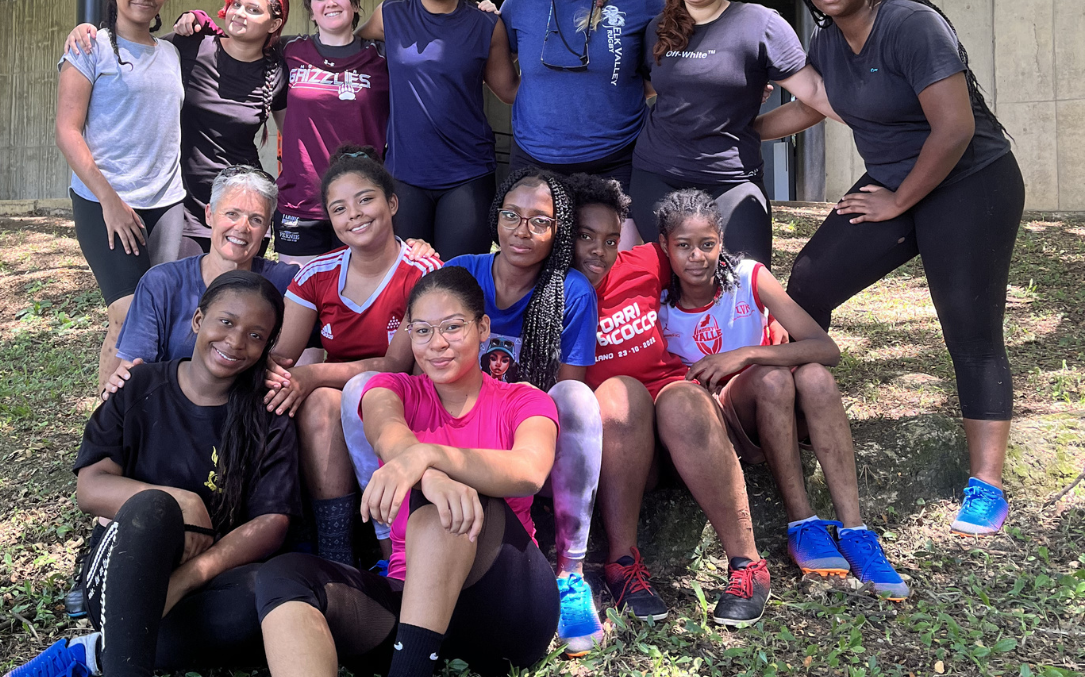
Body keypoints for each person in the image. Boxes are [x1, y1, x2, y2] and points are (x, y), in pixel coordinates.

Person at [756, 0, 1023, 536]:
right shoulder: (824, 44)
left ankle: (988, 484)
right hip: (896, 185)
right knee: (813, 279)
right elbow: (811, 107)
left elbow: (953, 129)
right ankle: (799, 418)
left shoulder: (911, 25)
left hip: (970, 183)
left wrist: (899, 200)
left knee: (970, 328)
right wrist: (735, 128)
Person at [340, 168, 605, 656]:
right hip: (446, 420)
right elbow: (397, 366)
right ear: (494, 218)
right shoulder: (462, 270)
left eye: (539, 221)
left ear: (557, 231)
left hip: (520, 427)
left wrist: (523, 421)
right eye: (512, 216)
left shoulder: (571, 291)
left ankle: (570, 571)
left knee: (577, 401)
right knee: (360, 390)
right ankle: (389, 549)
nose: (522, 230)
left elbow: (566, 389)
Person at [252, 267, 560, 677]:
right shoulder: (390, 389)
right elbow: (388, 434)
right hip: (410, 603)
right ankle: (411, 657)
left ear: (483, 328)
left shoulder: (523, 400)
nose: (437, 344)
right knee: (284, 575)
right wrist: (426, 469)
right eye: (422, 331)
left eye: (453, 327)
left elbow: (529, 472)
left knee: (451, 497)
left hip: (506, 604)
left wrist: (431, 459)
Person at [4, 271, 302, 677]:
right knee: (153, 508)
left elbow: (272, 523)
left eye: (255, 335)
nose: (235, 342)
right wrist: (181, 501)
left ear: (268, 345)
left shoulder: (267, 413)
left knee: (272, 600)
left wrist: (188, 577)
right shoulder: (137, 384)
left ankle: (97, 653)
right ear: (198, 320)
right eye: (226, 322)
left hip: (205, 582)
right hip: (120, 573)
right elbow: (90, 488)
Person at [658, 188, 907, 600]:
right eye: (683, 246)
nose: (696, 257)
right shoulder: (658, 303)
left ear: (721, 242)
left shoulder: (748, 277)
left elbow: (826, 349)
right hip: (719, 427)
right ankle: (802, 524)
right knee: (774, 378)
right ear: (665, 247)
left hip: (773, 410)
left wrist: (746, 353)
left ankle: (856, 532)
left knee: (816, 378)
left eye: (707, 244)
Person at [567, 173, 776, 625]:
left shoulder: (644, 262)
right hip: (621, 436)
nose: (598, 251)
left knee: (680, 399)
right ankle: (622, 565)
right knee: (621, 396)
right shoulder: (551, 293)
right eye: (584, 236)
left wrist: (765, 322)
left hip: (684, 416)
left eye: (608, 239)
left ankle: (748, 565)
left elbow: (704, 262)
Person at [267, 146, 441, 565]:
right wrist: (292, 376)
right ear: (330, 218)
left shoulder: (420, 270)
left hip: (408, 394)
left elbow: (396, 365)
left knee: (339, 385)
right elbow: (283, 357)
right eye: (340, 207)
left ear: (392, 203)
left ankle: (392, 536)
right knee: (315, 387)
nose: (355, 215)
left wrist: (314, 375)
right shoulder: (316, 273)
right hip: (344, 391)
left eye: (366, 199)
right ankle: (336, 548)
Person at [630, 0, 839, 266]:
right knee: (670, 283)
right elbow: (647, 88)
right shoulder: (658, 27)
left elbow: (814, 97)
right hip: (656, 174)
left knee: (747, 285)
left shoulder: (759, 23)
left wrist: (753, 128)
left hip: (731, 178)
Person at [64, 0, 290, 258]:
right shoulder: (190, 46)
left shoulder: (279, 72)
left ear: (274, 24)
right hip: (183, 202)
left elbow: (294, 140)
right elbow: (136, 48)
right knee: (181, 294)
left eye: (253, 9)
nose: (239, 14)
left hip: (242, 203)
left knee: (235, 295)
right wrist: (89, 32)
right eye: (236, 4)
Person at [177, 0, 389, 265]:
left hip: (361, 202)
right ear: (311, 11)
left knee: (361, 301)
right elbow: (245, 35)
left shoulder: (382, 57)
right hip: (300, 202)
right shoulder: (289, 50)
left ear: (354, 4)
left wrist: (478, 10)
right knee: (300, 303)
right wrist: (200, 19)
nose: (330, 3)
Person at [56, 0, 186, 392]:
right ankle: (109, 435)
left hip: (166, 201)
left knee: (160, 314)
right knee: (127, 314)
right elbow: (67, 131)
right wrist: (109, 200)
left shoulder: (171, 54)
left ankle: (140, 423)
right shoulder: (90, 48)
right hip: (105, 200)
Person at [358, 0, 520, 260]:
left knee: (458, 278)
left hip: (468, 174)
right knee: (406, 278)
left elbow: (509, 91)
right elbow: (351, 47)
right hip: (405, 174)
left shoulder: (485, 24)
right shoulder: (390, 15)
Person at [500, 0, 664, 227]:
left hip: (619, 160)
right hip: (535, 162)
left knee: (618, 268)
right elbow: (491, 53)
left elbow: (668, 64)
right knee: (535, 267)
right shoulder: (521, 1)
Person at [100, 166, 298, 399]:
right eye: (232, 214)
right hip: (173, 408)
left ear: (267, 229)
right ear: (209, 215)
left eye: (256, 219)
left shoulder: (287, 282)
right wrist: (116, 392)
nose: (242, 228)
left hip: (250, 411)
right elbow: (134, 369)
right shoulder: (162, 283)